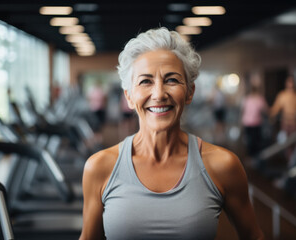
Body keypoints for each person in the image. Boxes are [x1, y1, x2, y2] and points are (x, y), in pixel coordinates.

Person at [79, 27, 264, 240]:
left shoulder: (223, 165)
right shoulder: (99, 168)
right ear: (129, 97)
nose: (159, 94)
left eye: (172, 80)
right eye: (146, 81)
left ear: (189, 92)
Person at [270, 75, 296, 160]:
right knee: (287, 144)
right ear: (286, 83)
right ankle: (290, 161)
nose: (291, 84)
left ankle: (295, 161)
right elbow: (275, 109)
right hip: (286, 124)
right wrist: (271, 116)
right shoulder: (282, 95)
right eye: (289, 82)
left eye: (292, 82)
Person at [241, 85, 268, 157]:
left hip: (248, 123)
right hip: (256, 123)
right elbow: (265, 110)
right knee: (256, 142)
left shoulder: (247, 99)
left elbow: (243, 110)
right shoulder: (259, 99)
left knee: (250, 141)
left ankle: (251, 157)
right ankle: (255, 158)